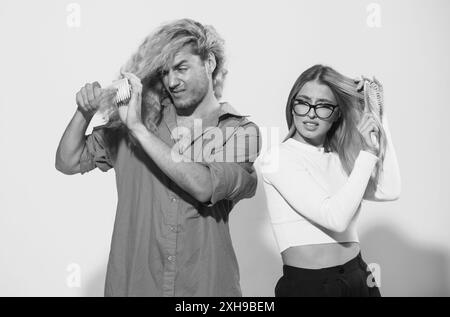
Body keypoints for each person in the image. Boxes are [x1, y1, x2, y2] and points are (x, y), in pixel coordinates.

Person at [55, 18, 260, 297]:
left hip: (205, 289)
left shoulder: (238, 131)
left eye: (181, 68)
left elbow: (205, 186)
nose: (172, 81)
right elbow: (68, 161)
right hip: (136, 286)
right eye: (164, 72)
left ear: (209, 62)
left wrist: (139, 130)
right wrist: (85, 111)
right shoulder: (138, 121)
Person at [260, 64, 401, 297]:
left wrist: (379, 119)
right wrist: (367, 154)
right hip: (311, 285)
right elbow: (335, 218)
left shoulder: (341, 155)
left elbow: (389, 190)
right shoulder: (278, 158)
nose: (311, 113)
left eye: (323, 106)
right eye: (303, 102)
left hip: (359, 275)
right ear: (292, 106)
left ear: (336, 113)